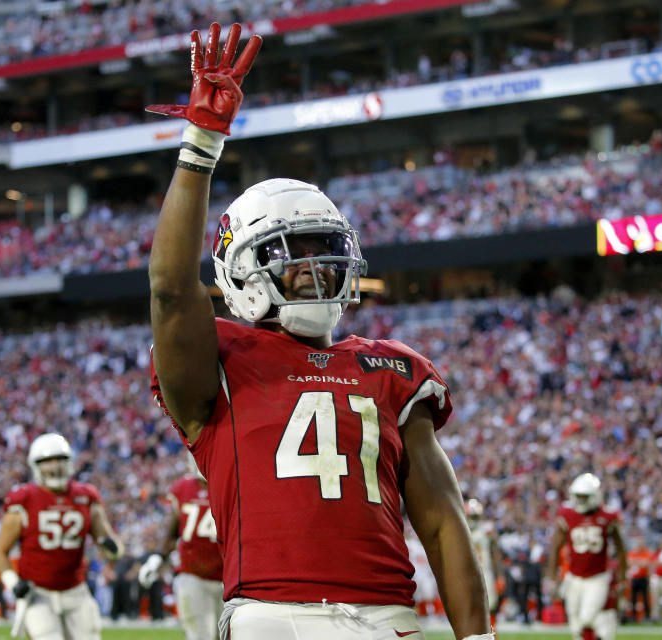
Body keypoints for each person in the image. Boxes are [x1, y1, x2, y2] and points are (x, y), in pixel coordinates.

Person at [146, 21, 492, 640]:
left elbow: (443, 522)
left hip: (389, 617)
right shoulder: (222, 358)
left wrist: (480, 637)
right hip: (272, 617)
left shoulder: (392, 368)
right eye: (291, 255)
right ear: (241, 274)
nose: (315, 270)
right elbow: (172, 291)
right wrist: (201, 141)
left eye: (324, 253)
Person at [0, 433, 125, 640]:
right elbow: (0, 550)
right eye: (47, 462)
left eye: (60, 460)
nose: (54, 467)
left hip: (75, 591)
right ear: (35, 466)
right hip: (38, 592)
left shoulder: (85, 496)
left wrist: (113, 550)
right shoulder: (24, 499)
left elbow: (109, 544)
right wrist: (13, 582)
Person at [139, 464, 224, 640]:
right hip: (193, 575)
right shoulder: (183, 487)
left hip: (227, 578)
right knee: (201, 635)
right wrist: (158, 558)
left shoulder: (230, 482)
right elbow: (173, 531)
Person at [546, 473, 627, 640]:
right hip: (574, 577)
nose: (581, 500)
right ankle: (603, 633)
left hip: (597, 576)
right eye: (578, 496)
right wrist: (552, 576)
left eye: (585, 497)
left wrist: (622, 576)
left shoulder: (607, 516)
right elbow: (555, 547)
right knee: (575, 626)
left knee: (587, 617)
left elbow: (620, 549)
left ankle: (604, 630)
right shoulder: (567, 514)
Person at [466, 498, 501, 623]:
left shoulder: (486, 531)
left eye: (475, 516)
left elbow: (494, 554)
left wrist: (499, 575)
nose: (473, 519)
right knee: (471, 608)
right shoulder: (463, 531)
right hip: (469, 573)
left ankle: (492, 634)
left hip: (486, 571)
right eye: (472, 516)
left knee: (491, 606)